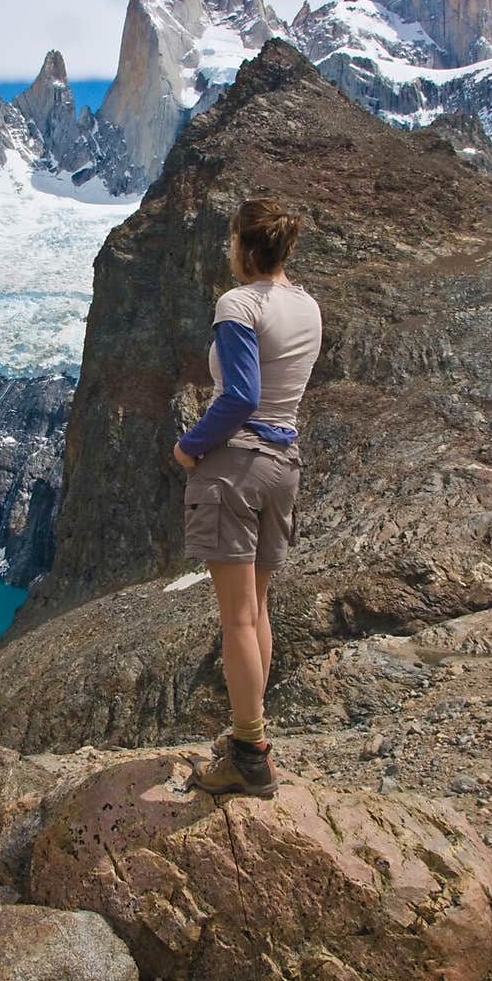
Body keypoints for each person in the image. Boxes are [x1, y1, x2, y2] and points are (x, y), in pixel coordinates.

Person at [172, 198, 322, 798]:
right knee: (256, 609)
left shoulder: (239, 304)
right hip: (284, 463)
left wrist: (189, 446)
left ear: (245, 246)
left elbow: (237, 395)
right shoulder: (307, 306)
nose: (226, 252)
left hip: (234, 464)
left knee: (235, 615)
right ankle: (249, 736)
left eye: (230, 241)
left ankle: (249, 753)